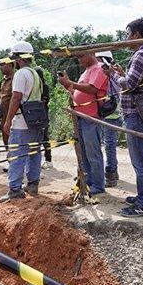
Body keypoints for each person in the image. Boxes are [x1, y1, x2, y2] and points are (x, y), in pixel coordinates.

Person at [106, 18, 143, 217]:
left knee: (141, 161)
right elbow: (137, 82)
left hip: (137, 114)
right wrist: (121, 73)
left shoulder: (141, 55)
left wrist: (113, 76)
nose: (126, 38)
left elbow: (129, 84)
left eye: (128, 34)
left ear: (137, 35)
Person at [58, 52, 107, 195]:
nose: (80, 60)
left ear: (91, 53)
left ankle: (98, 184)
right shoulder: (86, 71)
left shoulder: (99, 68)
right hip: (81, 116)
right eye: (78, 58)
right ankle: (89, 180)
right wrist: (68, 86)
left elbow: (93, 89)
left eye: (82, 56)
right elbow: (77, 91)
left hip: (92, 117)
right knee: (84, 152)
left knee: (93, 152)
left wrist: (71, 83)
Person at [0, 41, 44, 202]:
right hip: (36, 121)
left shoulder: (20, 74)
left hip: (21, 122)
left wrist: (8, 120)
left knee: (17, 155)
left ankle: (15, 189)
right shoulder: (35, 74)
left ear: (17, 58)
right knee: (34, 153)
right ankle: (33, 184)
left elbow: (16, 97)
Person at [96, 51, 123, 187]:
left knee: (108, 147)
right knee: (110, 145)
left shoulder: (106, 73)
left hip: (108, 114)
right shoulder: (117, 72)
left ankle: (111, 174)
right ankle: (113, 172)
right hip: (116, 113)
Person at [0, 61, 15, 145]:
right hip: (3, 116)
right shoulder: (3, 81)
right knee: (6, 142)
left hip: (12, 117)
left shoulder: (15, 79)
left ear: (10, 65)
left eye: (2, 65)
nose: (0, 67)